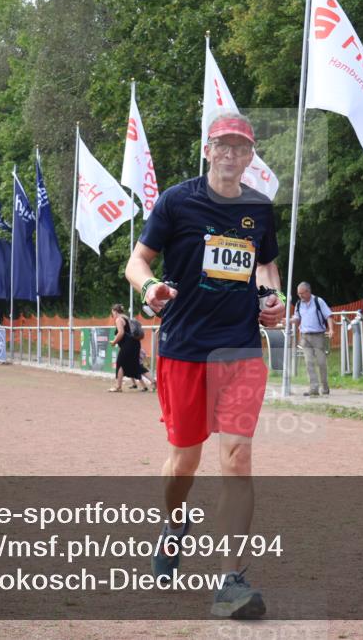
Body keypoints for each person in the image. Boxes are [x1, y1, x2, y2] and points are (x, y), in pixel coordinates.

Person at [125, 111, 284, 619]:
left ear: (250, 155)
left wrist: (273, 298)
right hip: (184, 349)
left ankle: (231, 579)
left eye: (242, 147)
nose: (232, 154)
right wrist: (150, 288)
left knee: (237, 457)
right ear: (207, 150)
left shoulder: (260, 210)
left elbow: (265, 266)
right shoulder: (177, 201)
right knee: (183, 464)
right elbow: (137, 261)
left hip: (239, 349)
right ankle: (174, 525)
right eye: (224, 145)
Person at [292, 282, 333, 396]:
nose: (300, 296)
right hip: (305, 336)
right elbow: (297, 317)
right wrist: (289, 321)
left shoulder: (318, 301)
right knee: (309, 362)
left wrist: (331, 329)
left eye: (302, 293)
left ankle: (325, 387)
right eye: (298, 294)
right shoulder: (299, 304)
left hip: (318, 336)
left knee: (321, 362)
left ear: (308, 291)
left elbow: (328, 315)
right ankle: (313, 388)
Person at [108, 304, 149, 392]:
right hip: (135, 344)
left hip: (128, 345)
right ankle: (153, 382)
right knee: (136, 365)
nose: (113, 315)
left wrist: (114, 341)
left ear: (115, 311)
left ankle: (118, 387)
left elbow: (121, 333)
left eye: (112, 313)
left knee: (120, 363)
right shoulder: (127, 318)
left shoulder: (119, 319)